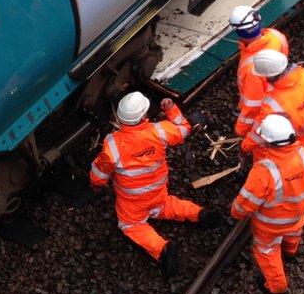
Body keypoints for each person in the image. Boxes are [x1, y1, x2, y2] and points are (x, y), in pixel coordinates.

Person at [89, 92, 223, 276]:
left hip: (132, 204)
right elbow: (184, 128)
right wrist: (171, 109)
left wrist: (96, 186)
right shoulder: (160, 131)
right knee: (168, 206)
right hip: (158, 194)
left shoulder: (112, 145)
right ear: (143, 116)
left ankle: (163, 249)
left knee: (130, 225)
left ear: (119, 118)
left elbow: (98, 175)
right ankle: (201, 214)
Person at [231, 114, 304, 294]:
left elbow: (245, 203)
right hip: (297, 215)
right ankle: (291, 251)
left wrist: (235, 212)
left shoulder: (264, 171)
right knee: (293, 232)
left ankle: (277, 287)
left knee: (267, 252)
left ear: (268, 142)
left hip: (270, 225)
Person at [239, 50, 304, 163]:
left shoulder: (272, 105)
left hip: (295, 144)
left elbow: (258, 135)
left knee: (299, 168)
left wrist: (244, 148)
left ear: (267, 77)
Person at [228, 6, 289, 137]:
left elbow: (253, 106)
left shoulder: (251, 69)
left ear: (238, 32)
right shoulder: (276, 35)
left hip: (267, 103)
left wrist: (241, 129)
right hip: (282, 91)